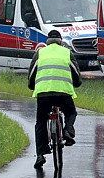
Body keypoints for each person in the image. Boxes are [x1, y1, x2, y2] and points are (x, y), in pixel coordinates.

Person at [28, 29, 82, 169]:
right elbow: (76, 75)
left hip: (44, 94)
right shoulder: (67, 53)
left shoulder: (40, 53)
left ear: (47, 41)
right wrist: (76, 83)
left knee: (41, 122)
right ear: (60, 41)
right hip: (63, 94)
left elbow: (32, 74)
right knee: (71, 112)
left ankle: (40, 155)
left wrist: (32, 86)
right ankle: (68, 131)